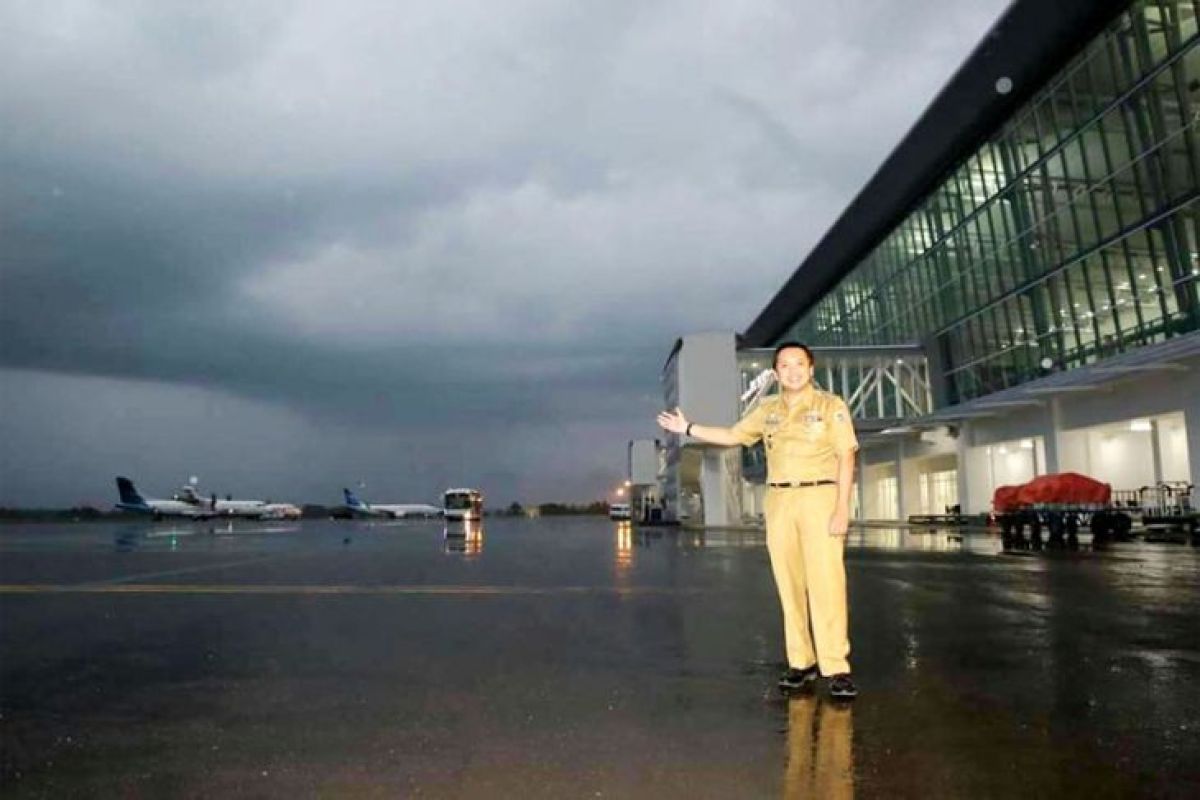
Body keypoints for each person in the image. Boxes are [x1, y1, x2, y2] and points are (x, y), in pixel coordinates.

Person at [657, 342, 859, 699]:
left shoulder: (831, 406)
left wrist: (842, 508)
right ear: (777, 372)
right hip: (779, 499)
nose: (792, 370)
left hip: (820, 497)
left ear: (811, 369)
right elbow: (733, 436)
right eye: (784, 365)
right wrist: (688, 428)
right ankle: (801, 662)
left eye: (799, 364)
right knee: (789, 584)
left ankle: (837, 667)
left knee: (826, 584)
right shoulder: (767, 409)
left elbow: (846, 457)